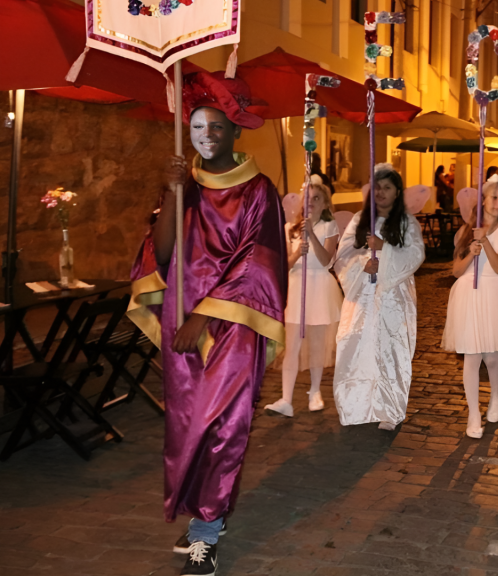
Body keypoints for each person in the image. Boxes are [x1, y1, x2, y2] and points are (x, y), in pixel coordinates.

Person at [125, 71, 286, 576]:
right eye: (197, 126)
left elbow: (257, 261)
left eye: (216, 126)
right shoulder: (183, 186)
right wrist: (173, 195)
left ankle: (206, 532)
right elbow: (164, 252)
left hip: (232, 323)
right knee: (185, 426)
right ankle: (200, 516)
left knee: (224, 425)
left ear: (236, 132)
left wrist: (203, 313)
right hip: (181, 323)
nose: (206, 135)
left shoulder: (260, 191)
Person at [333, 163, 425, 430]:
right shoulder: (359, 221)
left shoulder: (407, 223)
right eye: (377, 188)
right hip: (362, 294)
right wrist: (364, 262)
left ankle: (390, 409)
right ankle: (357, 404)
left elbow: (415, 255)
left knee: (389, 349)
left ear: (397, 192)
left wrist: (385, 251)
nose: (381, 193)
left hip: (392, 296)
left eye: (387, 188)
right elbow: (344, 255)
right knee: (358, 344)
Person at [442, 176, 498, 438]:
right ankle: (473, 414)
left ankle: (496, 396)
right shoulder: (466, 230)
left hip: (492, 291)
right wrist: (472, 250)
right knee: (471, 355)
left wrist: (486, 242)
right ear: (483, 199)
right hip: (468, 292)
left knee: (491, 356)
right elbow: (456, 271)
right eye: (494, 198)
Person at [265, 183, 342, 418]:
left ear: (325, 203)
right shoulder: (290, 228)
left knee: (317, 344)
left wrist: (313, 238)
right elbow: (282, 266)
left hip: (319, 287)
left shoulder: (330, 226)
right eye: (308, 198)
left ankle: (315, 392)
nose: (311, 202)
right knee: (292, 347)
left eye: (317, 198)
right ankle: (286, 399)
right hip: (297, 287)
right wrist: (298, 252)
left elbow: (327, 260)